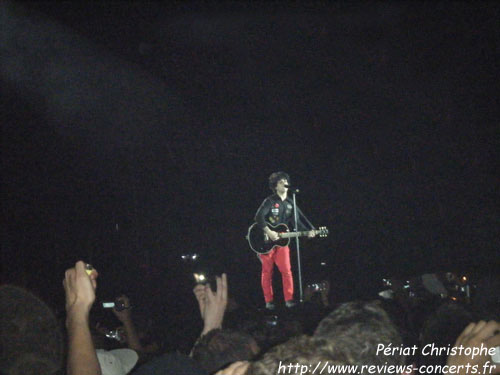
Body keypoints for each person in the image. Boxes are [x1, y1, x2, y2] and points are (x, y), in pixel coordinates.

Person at [254, 171, 315, 310]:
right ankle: (268, 301)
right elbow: (258, 217)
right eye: (281, 182)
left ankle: (289, 300)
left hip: (282, 241)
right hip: (266, 241)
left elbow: (297, 222)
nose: (284, 183)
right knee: (267, 271)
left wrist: (308, 232)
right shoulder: (270, 201)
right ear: (275, 186)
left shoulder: (290, 203)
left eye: (285, 181)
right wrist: (269, 232)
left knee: (287, 270)